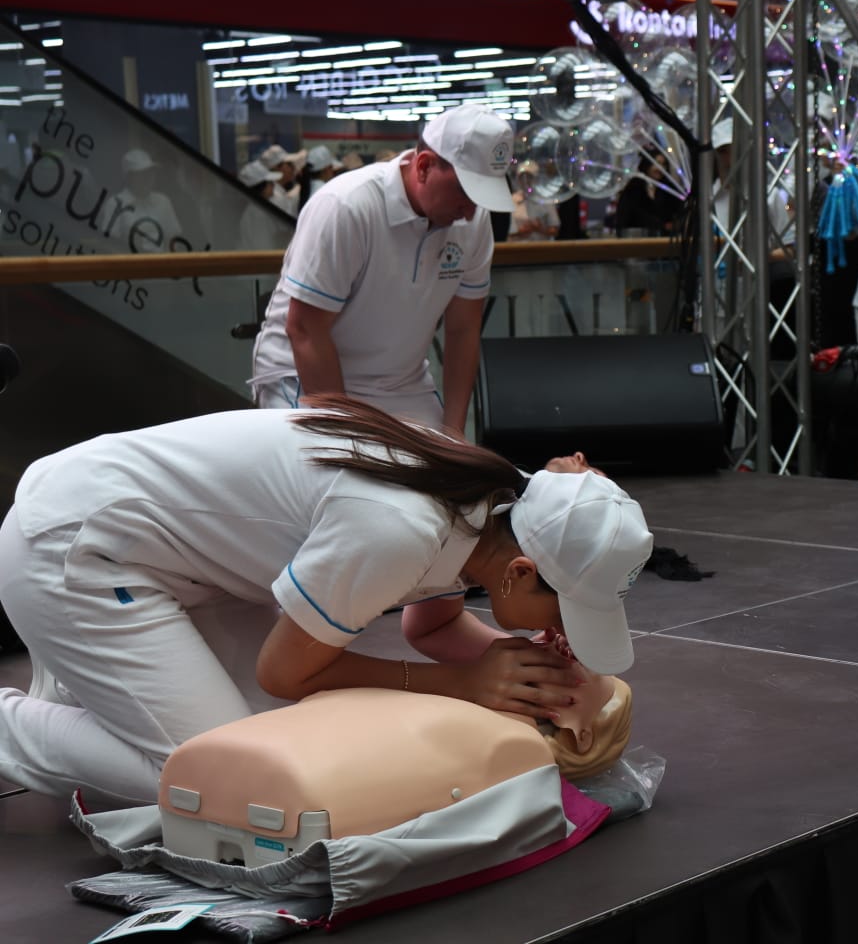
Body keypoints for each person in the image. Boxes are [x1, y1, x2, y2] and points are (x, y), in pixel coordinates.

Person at [0, 397, 654, 805]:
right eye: (566, 613)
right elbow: (283, 674)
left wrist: (536, 682)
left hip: (166, 554)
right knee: (217, 780)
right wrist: (464, 685)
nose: (563, 632)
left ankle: (85, 683)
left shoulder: (502, 501)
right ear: (517, 573)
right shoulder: (399, 528)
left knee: (273, 744)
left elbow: (433, 628)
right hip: (75, 545)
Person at [250, 103, 514, 437]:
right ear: (423, 166)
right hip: (301, 376)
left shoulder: (474, 220)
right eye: (464, 191)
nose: (470, 210)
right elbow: (305, 330)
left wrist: (454, 433)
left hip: (401, 382)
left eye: (482, 195)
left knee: (447, 478)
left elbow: (463, 330)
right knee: (348, 480)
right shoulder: (348, 206)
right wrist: (346, 436)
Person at [613, 152, 679, 237]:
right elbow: (628, 214)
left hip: (663, 239)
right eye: (657, 163)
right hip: (637, 238)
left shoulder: (668, 188)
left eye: (663, 165)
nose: (660, 168)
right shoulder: (635, 186)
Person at [298, 145, 340, 212]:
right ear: (326, 169)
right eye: (331, 167)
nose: (333, 172)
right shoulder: (326, 191)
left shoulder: (308, 186)